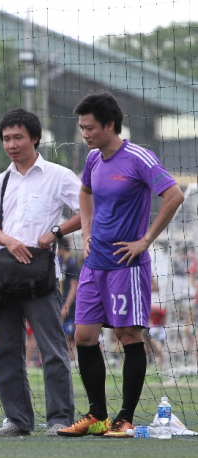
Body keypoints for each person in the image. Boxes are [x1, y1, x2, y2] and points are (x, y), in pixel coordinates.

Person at [58, 92, 184, 438]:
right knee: (84, 336)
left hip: (127, 266)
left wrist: (145, 241)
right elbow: (85, 193)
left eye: (90, 127)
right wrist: (85, 228)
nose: (85, 134)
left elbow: (174, 195)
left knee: (128, 335)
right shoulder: (94, 160)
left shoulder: (139, 158)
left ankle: (124, 418)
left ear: (110, 125)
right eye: (81, 127)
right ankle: (96, 415)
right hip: (93, 263)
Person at [0, 108, 81, 437]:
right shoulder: (1, 181)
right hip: (3, 279)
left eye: (18, 137)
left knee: (52, 349)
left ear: (35, 138)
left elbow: (87, 208)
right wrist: (8, 241)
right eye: (6, 138)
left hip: (40, 278)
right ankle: (18, 420)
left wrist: (56, 230)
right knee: (5, 350)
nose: (11, 144)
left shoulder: (58, 175)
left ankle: (60, 420)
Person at [58, 238, 80, 360]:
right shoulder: (64, 263)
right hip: (65, 302)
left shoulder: (72, 263)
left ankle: (74, 359)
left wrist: (66, 306)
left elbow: (74, 286)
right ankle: (69, 359)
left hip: (72, 305)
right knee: (65, 333)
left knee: (72, 335)